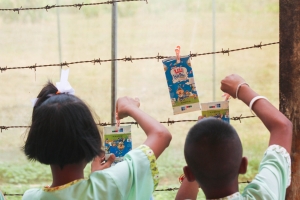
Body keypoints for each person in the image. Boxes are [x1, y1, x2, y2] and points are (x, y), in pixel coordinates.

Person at [22, 81, 172, 200]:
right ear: (91, 140)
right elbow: (161, 135)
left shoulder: (30, 197)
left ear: (37, 142)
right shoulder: (109, 184)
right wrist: (130, 107)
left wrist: (96, 180)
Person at [177, 74, 292, 199]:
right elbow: (282, 127)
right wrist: (240, 89)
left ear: (189, 174)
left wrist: (201, 141)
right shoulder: (263, 195)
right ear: (243, 165)